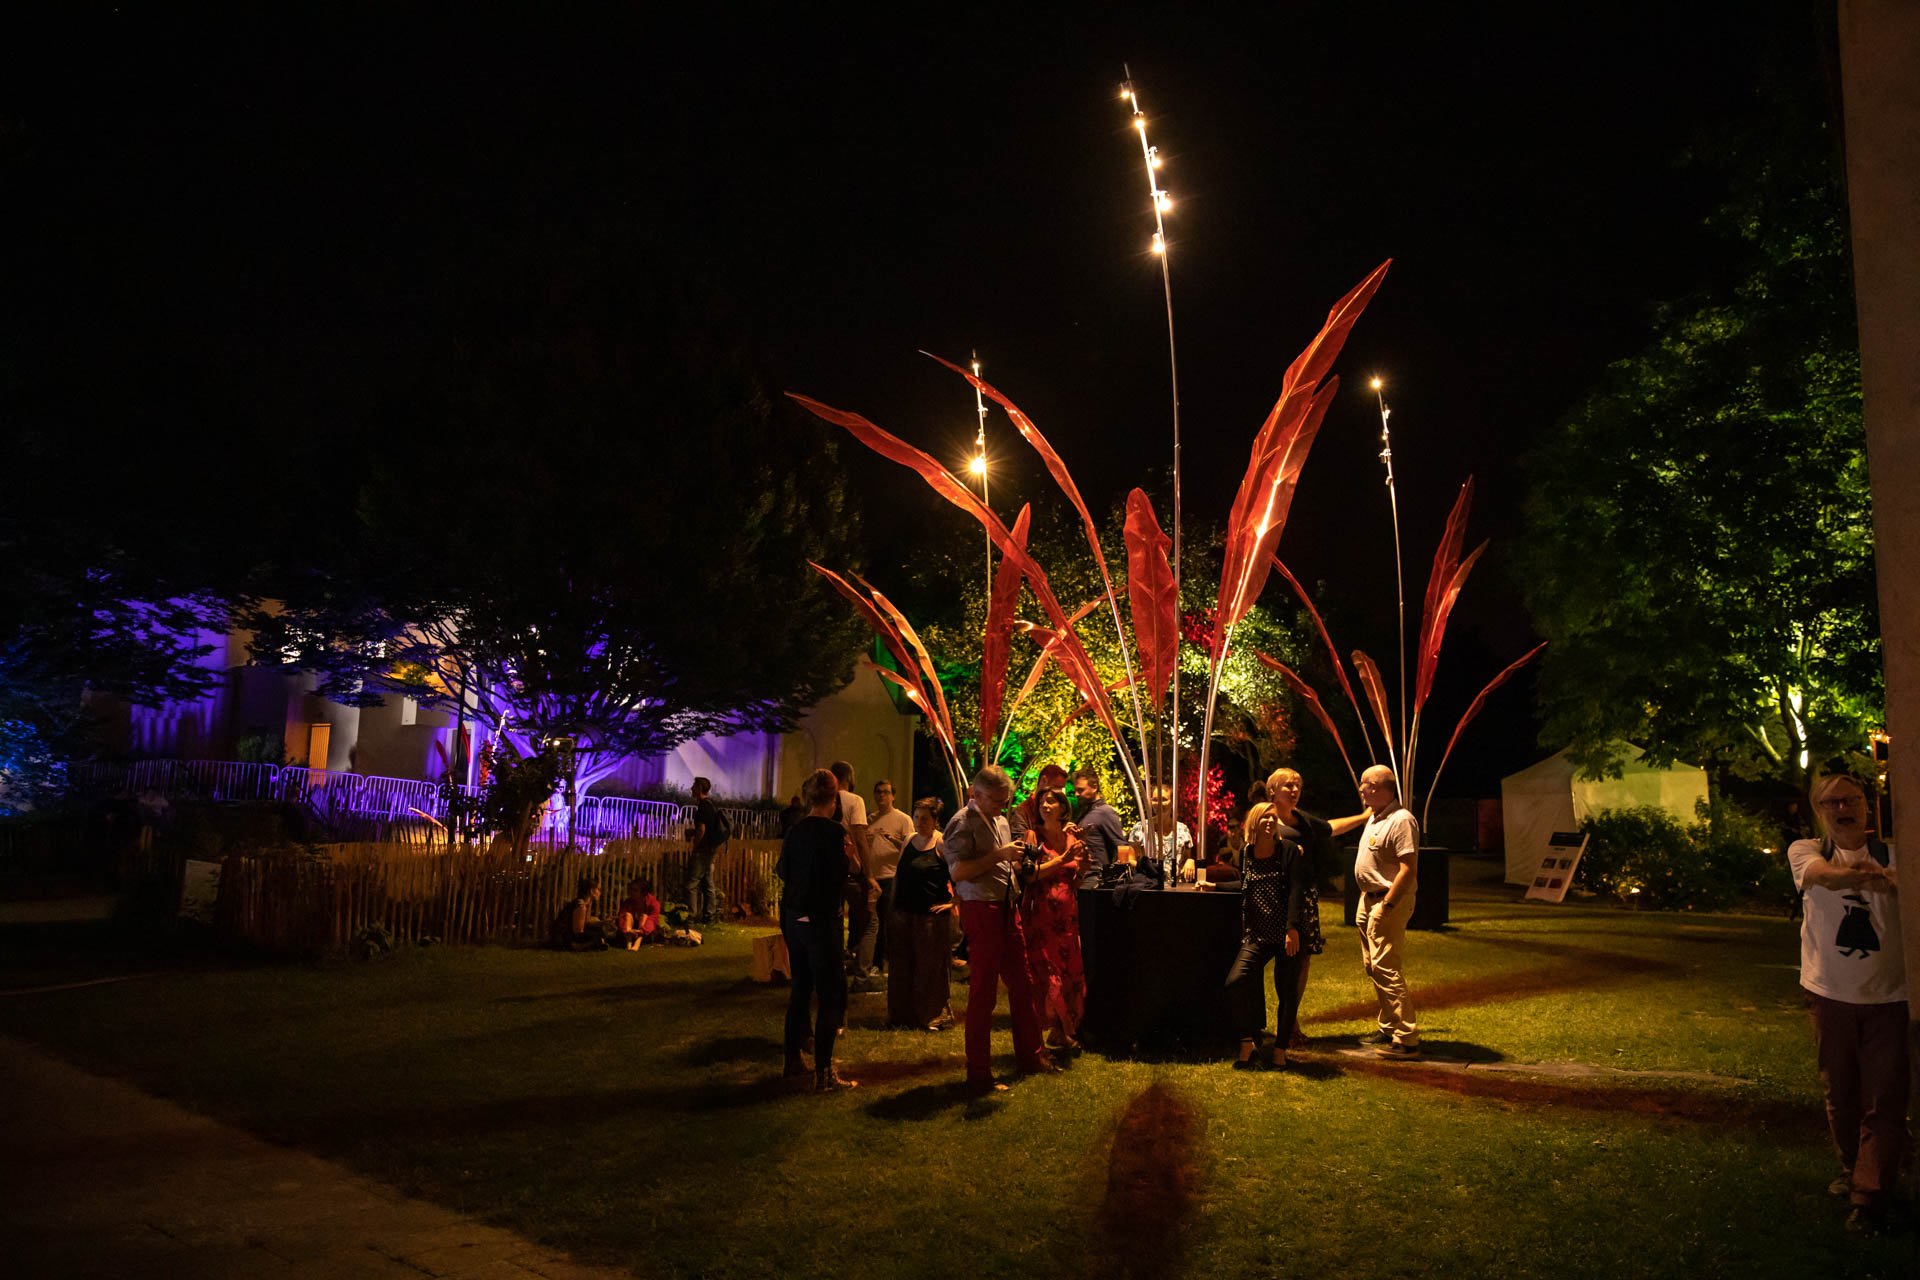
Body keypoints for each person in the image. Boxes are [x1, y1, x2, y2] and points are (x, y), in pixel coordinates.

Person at [1788, 773, 1907, 1233]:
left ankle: (1869, 1196)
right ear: (1819, 811)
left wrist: (1896, 879)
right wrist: (1870, 878)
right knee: (1840, 1095)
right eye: (1831, 802)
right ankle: (1852, 1167)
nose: (1842, 808)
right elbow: (1821, 877)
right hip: (1829, 995)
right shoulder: (1806, 851)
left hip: (1889, 997)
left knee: (1884, 1097)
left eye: (1850, 800)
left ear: (1866, 804)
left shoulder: (1897, 856)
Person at [945, 763, 1054, 1095]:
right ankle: (979, 1073)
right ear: (976, 795)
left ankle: (1031, 1057)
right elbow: (957, 872)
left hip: (1007, 906)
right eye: (995, 801)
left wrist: (1019, 860)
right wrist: (999, 856)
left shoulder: (1002, 821)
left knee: (1023, 984)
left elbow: (1005, 862)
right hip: (982, 908)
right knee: (984, 992)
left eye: (1004, 801)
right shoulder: (961, 823)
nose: (1001, 807)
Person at [776, 768, 858, 1092]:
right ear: (833, 799)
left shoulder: (795, 830)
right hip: (822, 921)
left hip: (794, 917)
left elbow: (783, 870)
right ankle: (824, 1074)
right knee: (829, 995)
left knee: (800, 988)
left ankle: (791, 1060)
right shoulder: (834, 833)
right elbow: (842, 873)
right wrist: (849, 858)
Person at [1224, 801, 1323, 1068]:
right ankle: (1247, 1043)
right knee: (1235, 981)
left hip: (1286, 934)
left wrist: (1292, 928)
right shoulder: (1247, 853)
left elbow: (1296, 890)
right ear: (1253, 823)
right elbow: (1244, 884)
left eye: (1272, 817)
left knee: (1287, 993)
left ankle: (1280, 1050)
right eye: (1264, 817)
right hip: (1257, 935)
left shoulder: (1288, 850)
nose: (1269, 821)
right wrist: (1213, 885)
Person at [1347, 765, 1419, 1057]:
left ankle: (1406, 1038)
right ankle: (1389, 1025)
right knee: (1373, 966)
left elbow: (1408, 869)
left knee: (1386, 967)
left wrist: (1386, 905)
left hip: (1387, 901)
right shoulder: (1375, 817)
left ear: (1377, 787)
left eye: (1364, 784)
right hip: (1369, 899)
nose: (1361, 789)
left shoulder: (1401, 820)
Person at [1267, 767, 1338, 1047]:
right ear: (1273, 791)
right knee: (1279, 958)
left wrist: (1365, 817)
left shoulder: (1303, 820)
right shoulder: (1265, 818)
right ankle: (1276, 1025)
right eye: (1288, 785)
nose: (1295, 790)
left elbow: (1330, 828)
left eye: (1297, 785)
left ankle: (1291, 1023)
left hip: (1304, 895)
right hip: (1275, 896)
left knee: (1302, 959)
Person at [1021, 786, 1088, 1051]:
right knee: (1046, 973)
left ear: (1063, 807)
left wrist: (1083, 867)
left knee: (1069, 972)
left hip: (1067, 916)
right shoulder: (1033, 836)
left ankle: (1061, 1031)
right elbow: (1029, 875)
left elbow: (1075, 880)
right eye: (1042, 802)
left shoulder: (1071, 837)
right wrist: (1061, 859)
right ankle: (1039, 1033)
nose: (1045, 806)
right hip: (1041, 915)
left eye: (1051, 801)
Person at [888, 797, 957, 1030]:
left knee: (930, 967)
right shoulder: (909, 840)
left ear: (935, 820)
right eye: (916, 817)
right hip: (904, 913)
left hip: (930, 917)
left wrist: (953, 903)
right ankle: (902, 1015)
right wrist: (893, 905)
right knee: (903, 965)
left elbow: (958, 874)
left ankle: (932, 1013)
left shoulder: (941, 843)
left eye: (925, 818)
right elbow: (899, 874)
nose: (919, 822)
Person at [857, 779, 912, 985]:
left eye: (886, 792)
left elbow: (911, 848)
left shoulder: (902, 819)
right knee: (870, 922)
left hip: (890, 877)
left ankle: (886, 961)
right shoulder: (870, 820)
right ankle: (872, 961)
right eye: (878, 792)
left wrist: (894, 841)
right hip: (872, 877)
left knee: (887, 922)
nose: (881, 795)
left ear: (893, 796)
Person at [830, 760, 878, 980]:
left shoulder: (825, 800)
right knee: (870, 922)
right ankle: (862, 974)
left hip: (830, 872)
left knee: (835, 920)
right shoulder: (854, 801)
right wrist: (869, 874)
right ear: (849, 777)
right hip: (851, 871)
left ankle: (834, 968)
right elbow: (860, 839)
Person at [1070, 768, 1126, 889]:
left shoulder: (1105, 812)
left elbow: (1122, 847)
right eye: (1076, 791)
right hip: (1082, 878)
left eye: (1081, 790)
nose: (1076, 794)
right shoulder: (1086, 813)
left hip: (1094, 881)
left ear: (1094, 787)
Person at [1125, 784, 1195, 877]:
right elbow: (1129, 859)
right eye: (1155, 799)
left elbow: (1187, 858)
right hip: (1150, 883)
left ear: (1173, 802)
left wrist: (1190, 861)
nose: (1158, 803)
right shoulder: (1141, 827)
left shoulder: (1182, 829)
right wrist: (1146, 868)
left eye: (1164, 799)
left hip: (1177, 884)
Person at [685, 777, 725, 923]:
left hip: (703, 849)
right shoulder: (711, 805)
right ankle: (709, 915)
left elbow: (702, 829)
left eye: (694, 786)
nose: (691, 788)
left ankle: (691, 916)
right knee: (708, 882)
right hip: (711, 848)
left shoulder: (703, 806)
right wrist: (693, 832)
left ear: (700, 788)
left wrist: (696, 847)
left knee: (692, 883)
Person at [1010, 763, 1071, 839]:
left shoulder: (1058, 809)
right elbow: (1019, 842)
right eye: (1056, 787)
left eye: (1061, 789)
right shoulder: (1022, 810)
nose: (1059, 792)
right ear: (1044, 780)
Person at [547, 876, 607, 950]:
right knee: (595, 936)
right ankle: (575, 946)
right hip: (562, 937)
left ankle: (596, 944)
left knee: (598, 931)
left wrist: (604, 922)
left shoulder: (583, 903)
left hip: (567, 934)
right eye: (598, 889)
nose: (600, 892)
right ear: (591, 891)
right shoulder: (580, 906)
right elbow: (578, 932)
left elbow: (586, 923)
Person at [615, 877, 660, 949]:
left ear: (643, 892)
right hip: (630, 930)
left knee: (644, 916)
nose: (631, 892)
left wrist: (642, 931)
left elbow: (653, 919)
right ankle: (629, 943)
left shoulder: (653, 903)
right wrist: (627, 930)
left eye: (635, 890)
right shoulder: (628, 902)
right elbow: (622, 916)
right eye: (631, 889)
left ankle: (637, 942)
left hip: (646, 932)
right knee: (627, 914)